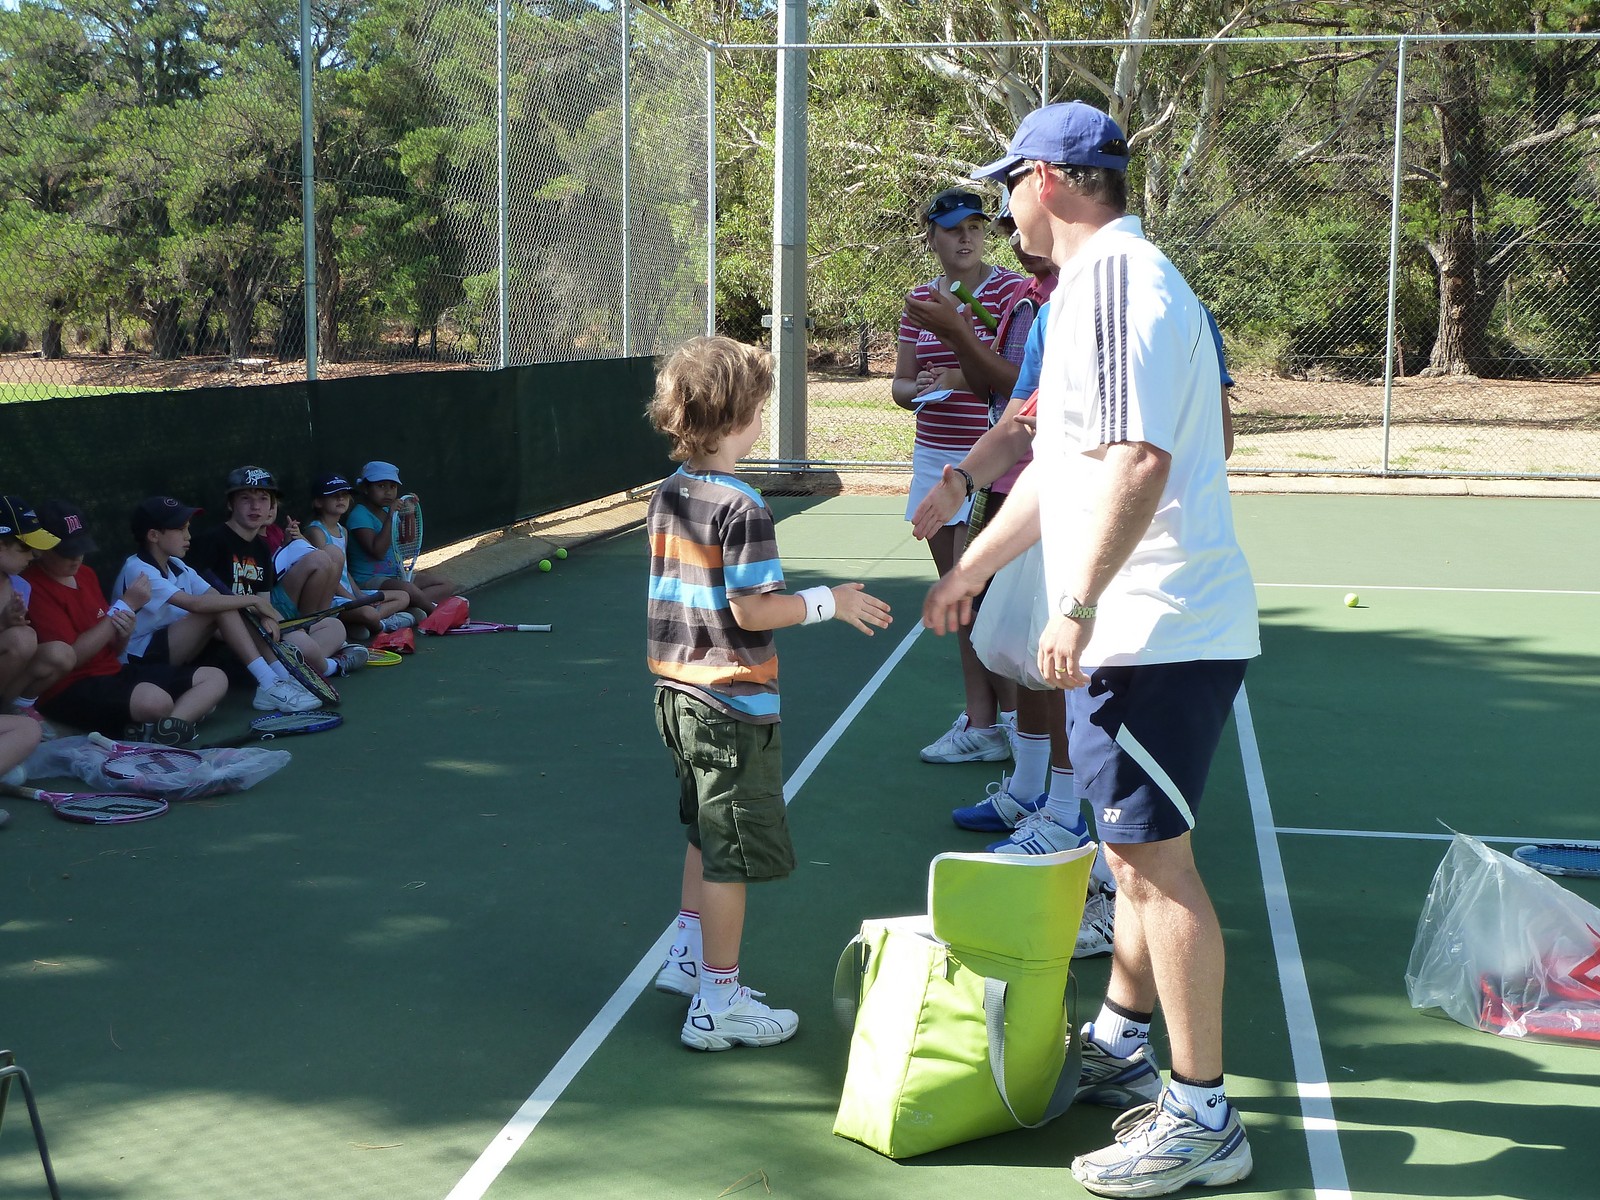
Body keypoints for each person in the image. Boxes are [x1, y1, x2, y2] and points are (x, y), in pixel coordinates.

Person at [923, 101, 1259, 1196]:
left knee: (1156, 870)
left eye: (1008, 183)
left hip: (1150, 629)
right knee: (1130, 857)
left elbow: (1136, 462)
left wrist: (1072, 604)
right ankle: (1120, 1038)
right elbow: (1065, 468)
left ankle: (1202, 1117)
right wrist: (973, 566)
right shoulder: (1092, 290)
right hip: (1142, 626)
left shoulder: (1116, 281)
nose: (1003, 206)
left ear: (1048, 181)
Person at [645, 336, 892, 1051]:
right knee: (732, 856)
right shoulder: (743, 505)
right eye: (758, 408)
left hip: (676, 696)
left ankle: (688, 955)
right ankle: (717, 1002)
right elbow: (753, 610)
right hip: (728, 705)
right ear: (737, 417)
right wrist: (828, 602)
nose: (761, 419)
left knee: (703, 831)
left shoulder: (668, 493)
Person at [893, 188, 1025, 766]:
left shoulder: (1010, 293)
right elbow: (900, 386)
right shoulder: (920, 301)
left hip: (989, 463)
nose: (966, 237)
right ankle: (982, 723)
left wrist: (956, 373)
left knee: (987, 598)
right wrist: (920, 387)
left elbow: (1013, 377)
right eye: (952, 229)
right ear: (931, 238)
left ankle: (1021, 725)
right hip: (933, 460)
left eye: (975, 226)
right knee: (961, 599)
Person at [23, 500, 229, 744]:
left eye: (81, 548)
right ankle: (170, 719)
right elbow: (72, 658)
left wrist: (123, 632)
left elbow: (114, 650)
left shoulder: (86, 574)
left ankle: (167, 728)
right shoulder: (31, 585)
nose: (77, 558)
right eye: (67, 551)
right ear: (41, 549)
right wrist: (124, 606)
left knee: (215, 678)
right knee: (157, 701)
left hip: (115, 671)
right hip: (71, 686)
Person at [111, 496, 322, 714]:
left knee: (223, 604)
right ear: (154, 535)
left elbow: (216, 596)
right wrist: (255, 601)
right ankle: (269, 682)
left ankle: (282, 677)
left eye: (188, 528)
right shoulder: (138, 569)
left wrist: (263, 614)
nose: (188, 536)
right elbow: (196, 604)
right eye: (180, 530)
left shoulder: (177, 565)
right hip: (137, 662)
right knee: (218, 607)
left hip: (171, 651)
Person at [188, 467, 363, 681]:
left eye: (263, 499)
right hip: (228, 642)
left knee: (334, 627)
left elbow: (265, 603)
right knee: (303, 644)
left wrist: (278, 624)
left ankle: (299, 662)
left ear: (272, 506)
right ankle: (328, 666)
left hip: (261, 631)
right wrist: (276, 634)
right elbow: (200, 611)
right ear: (230, 504)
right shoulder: (210, 542)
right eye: (245, 498)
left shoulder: (261, 548)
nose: (255, 506)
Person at [303, 473, 414, 641]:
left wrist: (359, 595)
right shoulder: (316, 532)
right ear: (318, 502)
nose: (341, 499)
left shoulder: (342, 531)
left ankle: (363, 623)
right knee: (369, 614)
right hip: (331, 600)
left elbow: (344, 571)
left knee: (403, 596)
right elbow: (327, 576)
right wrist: (354, 600)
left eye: (344, 494)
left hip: (350, 597)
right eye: (334, 495)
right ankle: (381, 624)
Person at [0, 495, 75, 728]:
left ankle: (12, 709)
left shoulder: (21, 586)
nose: (34, 555)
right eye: (25, 547)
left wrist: (10, 623)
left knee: (60, 653)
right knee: (22, 638)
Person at [346, 461, 459, 615]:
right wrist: (391, 516)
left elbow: (407, 540)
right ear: (365, 488)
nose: (388, 492)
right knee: (408, 589)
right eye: (381, 486)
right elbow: (378, 551)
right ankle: (437, 614)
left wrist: (409, 513)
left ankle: (405, 608)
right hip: (368, 580)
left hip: (396, 575)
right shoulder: (359, 515)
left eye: (393, 487)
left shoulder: (387, 510)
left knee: (446, 585)